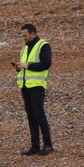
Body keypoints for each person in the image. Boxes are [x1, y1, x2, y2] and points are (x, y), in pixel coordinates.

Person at [14, 24, 53, 156]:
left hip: (37, 85)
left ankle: (48, 145)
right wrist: (19, 67)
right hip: (25, 85)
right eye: (22, 35)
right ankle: (35, 146)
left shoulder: (43, 45)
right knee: (31, 116)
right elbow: (25, 66)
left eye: (25, 35)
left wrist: (28, 65)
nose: (23, 38)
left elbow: (46, 64)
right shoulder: (24, 48)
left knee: (39, 114)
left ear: (33, 33)